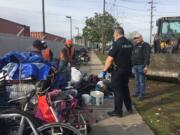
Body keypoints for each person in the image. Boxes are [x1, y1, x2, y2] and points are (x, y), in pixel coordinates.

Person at [99, 27, 133, 117]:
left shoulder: (117, 44)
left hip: (119, 71)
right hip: (128, 70)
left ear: (117, 34)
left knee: (118, 91)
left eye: (114, 34)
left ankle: (118, 111)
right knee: (125, 89)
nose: (114, 36)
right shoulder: (129, 43)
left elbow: (109, 60)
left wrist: (104, 71)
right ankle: (129, 108)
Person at [132, 33, 151, 101]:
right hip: (135, 65)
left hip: (141, 65)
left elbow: (147, 56)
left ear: (141, 37)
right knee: (137, 80)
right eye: (135, 38)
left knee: (141, 81)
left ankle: (142, 94)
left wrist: (146, 66)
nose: (136, 39)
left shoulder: (145, 45)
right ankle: (137, 92)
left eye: (137, 38)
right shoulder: (135, 45)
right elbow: (133, 55)